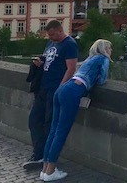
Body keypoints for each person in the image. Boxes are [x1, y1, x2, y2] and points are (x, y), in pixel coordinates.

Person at [41, 39, 112, 182]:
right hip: (73, 92)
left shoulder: (89, 59)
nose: (111, 51)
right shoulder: (103, 59)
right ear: (104, 49)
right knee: (61, 132)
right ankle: (50, 172)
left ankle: (44, 170)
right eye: (110, 48)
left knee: (53, 130)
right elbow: (103, 79)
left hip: (62, 89)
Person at [23, 20, 78, 170]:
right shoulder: (51, 43)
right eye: (49, 35)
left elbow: (71, 68)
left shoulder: (69, 44)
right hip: (43, 88)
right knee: (34, 120)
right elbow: (49, 59)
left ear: (60, 30)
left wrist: (61, 88)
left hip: (55, 89)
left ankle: (45, 157)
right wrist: (39, 62)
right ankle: (38, 153)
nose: (51, 37)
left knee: (49, 123)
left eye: (53, 34)